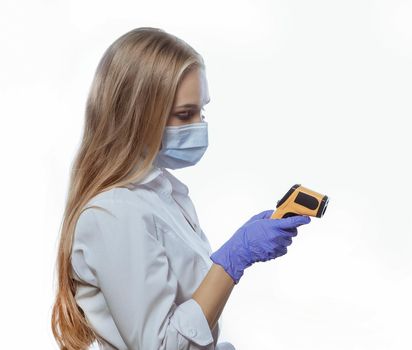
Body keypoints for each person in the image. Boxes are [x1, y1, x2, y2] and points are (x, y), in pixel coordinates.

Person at [51, 27, 311, 350]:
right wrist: (233, 259)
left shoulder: (163, 193)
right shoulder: (112, 214)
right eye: (184, 114)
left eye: (201, 111)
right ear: (137, 115)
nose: (199, 126)